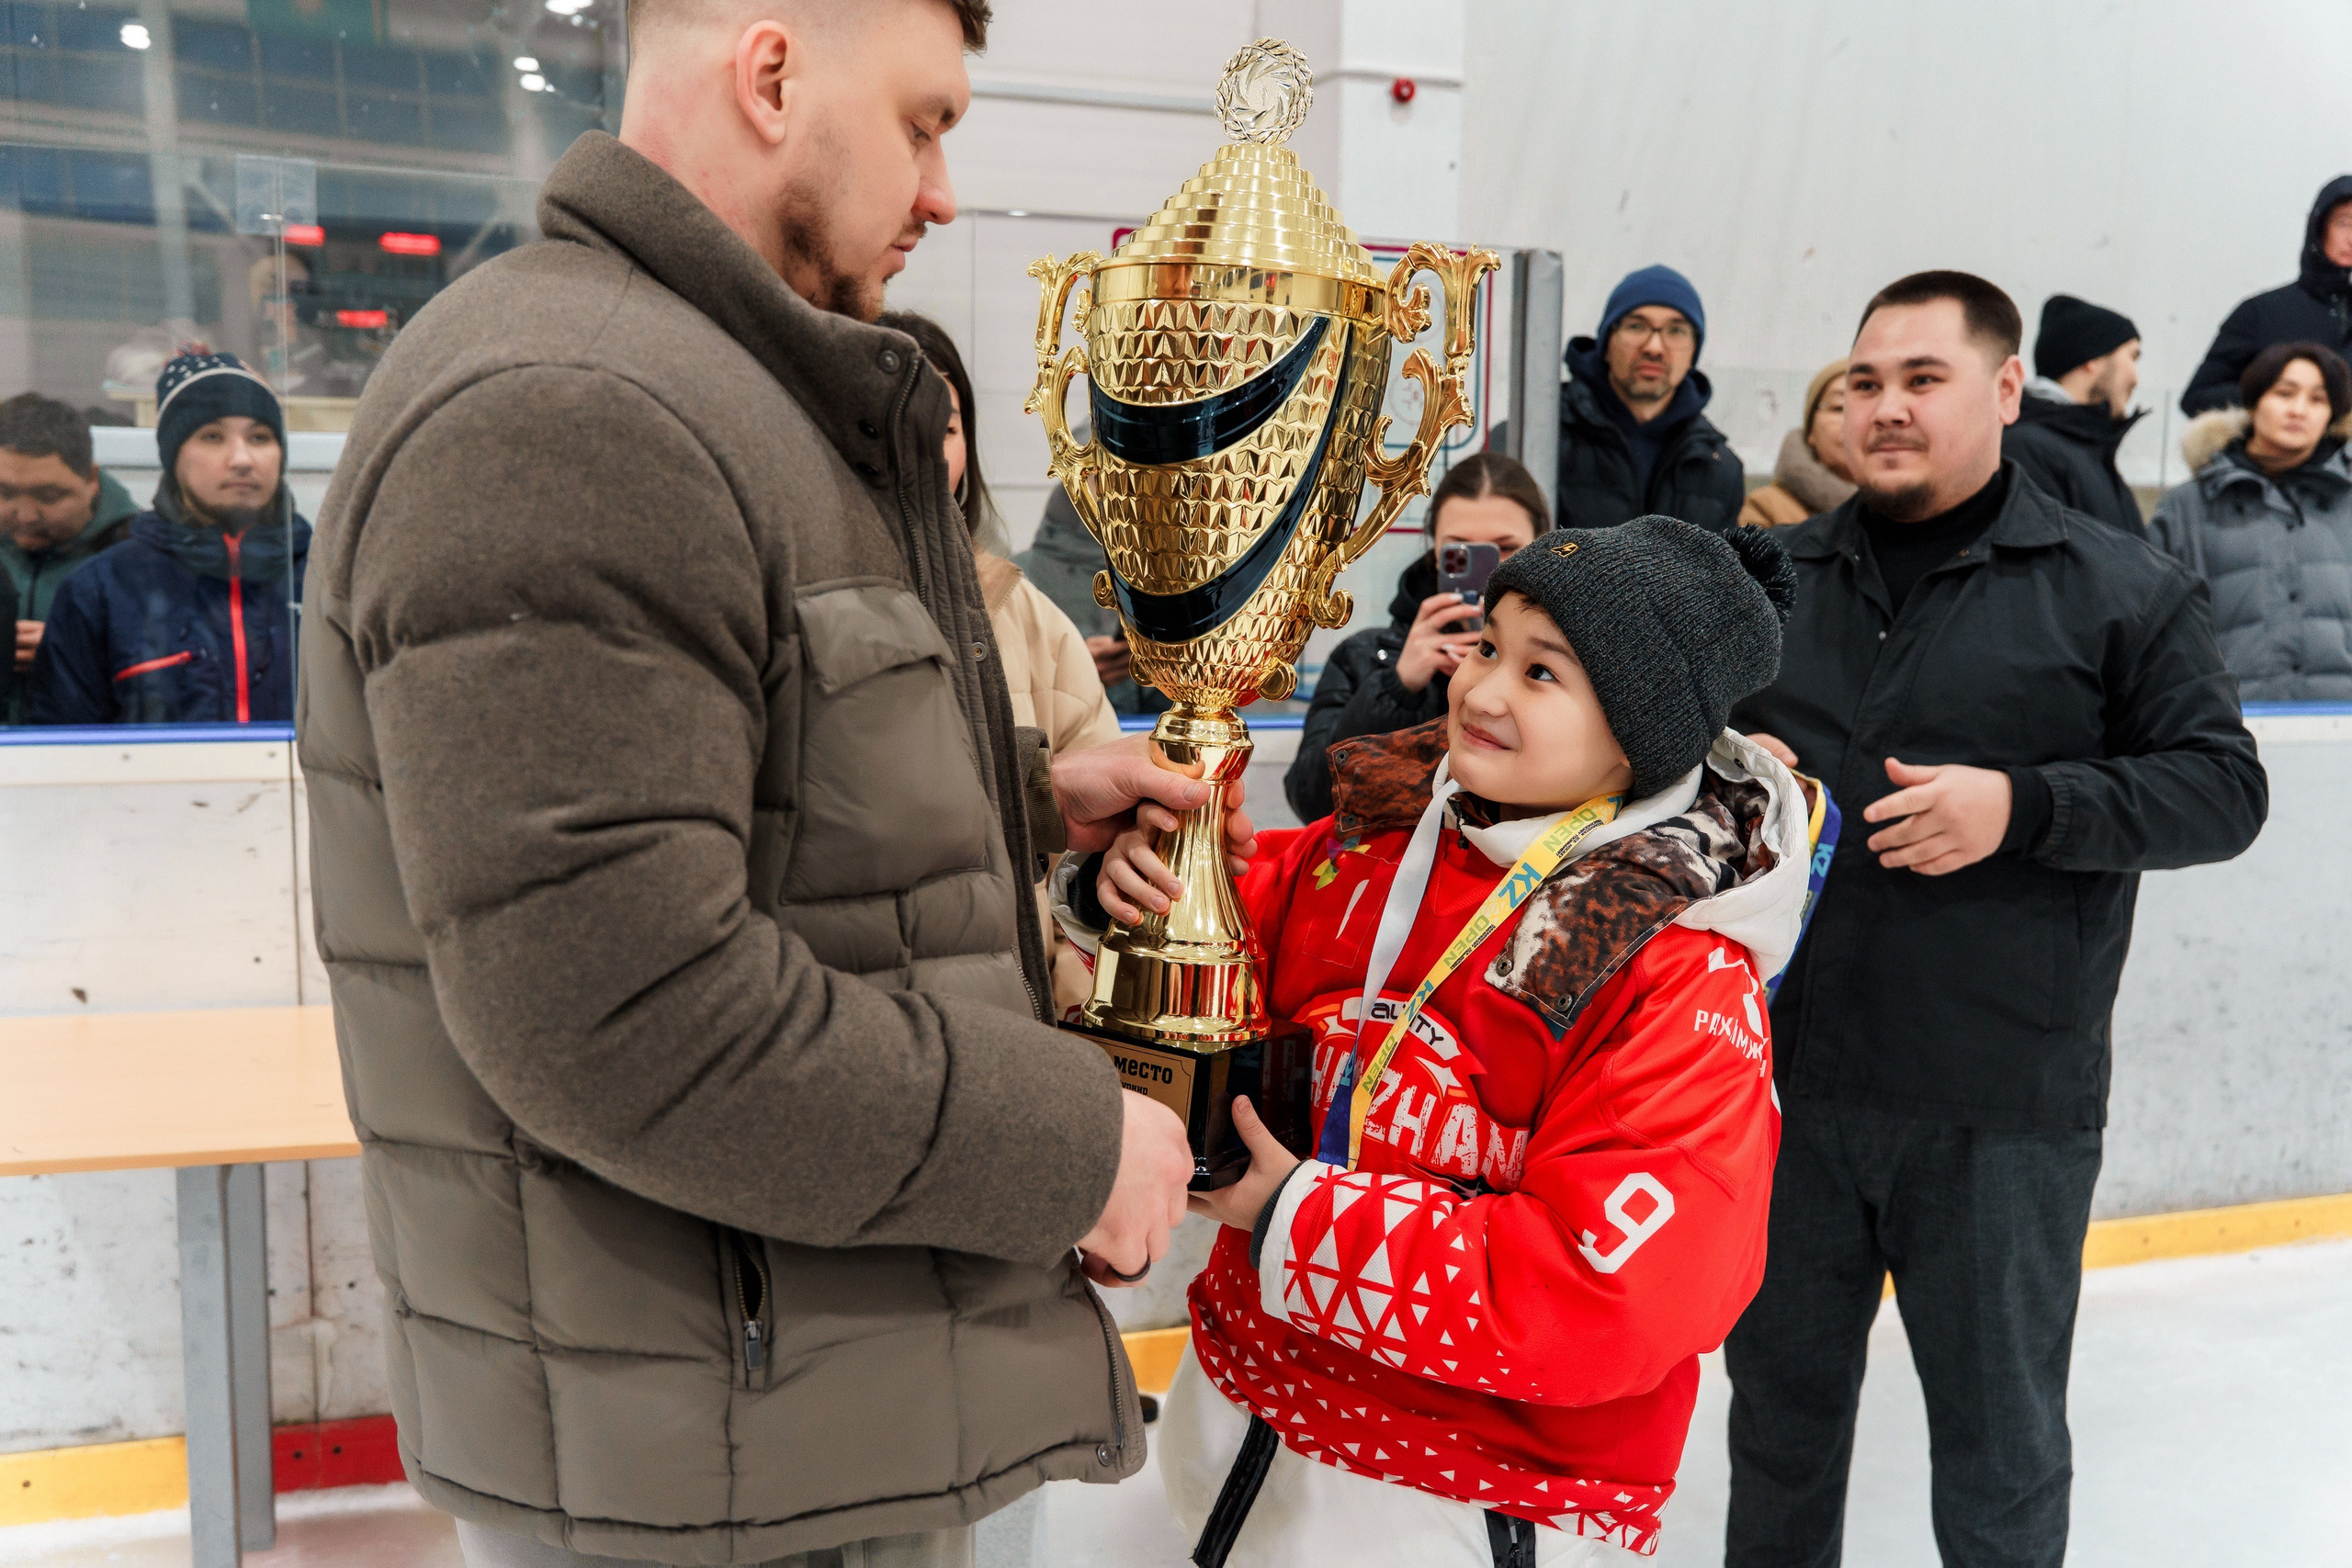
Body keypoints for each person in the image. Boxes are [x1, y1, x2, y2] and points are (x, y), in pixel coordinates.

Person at [292, 1, 1252, 1563]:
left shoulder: (707, 389)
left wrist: (1020, 796)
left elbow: (749, 784)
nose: (944, 189)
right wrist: (1065, 1148)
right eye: (927, 123)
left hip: (798, 1401)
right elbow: (622, 1010)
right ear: (772, 71)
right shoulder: (575, 409)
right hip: (721, 1461)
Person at [1066, 517, 1809, 1566]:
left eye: (1543, 672)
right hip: (1240, 1418)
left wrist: (1293, 1217)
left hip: (1461, 1494)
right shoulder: (1372, 845)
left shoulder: (1672, 969)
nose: (1483, 689)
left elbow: (1619, 1297)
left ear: (1642, 728)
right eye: (1489, 646)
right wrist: (1126, 893)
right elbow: (1229, 945)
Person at [1725, 272, 2267, 1568]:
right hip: (1779, 1090)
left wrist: (2021, 806)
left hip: (1997, 1105)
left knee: (2001, 1459)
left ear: (2008, 390)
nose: (1886, 407)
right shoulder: (1771, 582)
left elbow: (2224, 787)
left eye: (1923, 378)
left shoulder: (2119, 589)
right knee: (1778, 1435)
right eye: (1866, 381)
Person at [883, 309, 1124, 1014]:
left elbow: (1096, 830)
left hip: (1022, 1019)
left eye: (947, 425)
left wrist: (1114, 869)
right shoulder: (787, 602)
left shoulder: (1023, 613)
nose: (927, 448)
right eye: (892, 423)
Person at [26, 350, 309, 727]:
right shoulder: (100, 591)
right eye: (212, 436)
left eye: (260, 437)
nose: (242, 458)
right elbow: (64, 756)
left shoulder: (332, 580)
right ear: (173, 456)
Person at [1283, 453, 1547, 823]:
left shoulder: (1566, 663)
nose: (1488, 572)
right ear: (1435, 552)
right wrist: (1396, 687)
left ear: (1540, 546)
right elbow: (1311, 802)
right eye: (1459, 552)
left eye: (1504, 548)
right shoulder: (1364, 656)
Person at [2151, 343, 2352, 700]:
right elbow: (2151, 627)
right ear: (2254, 402)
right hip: (2223, 727)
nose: (2298, 410)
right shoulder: (2188, 506)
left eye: (2318, 400)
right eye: (2284, 393)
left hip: (2339, 725)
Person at [1540, 265, 1745, 535]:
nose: (1654, 347)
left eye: (1676, 331)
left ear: (1694, 351)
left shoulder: (1717, 467)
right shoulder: (1540, 436)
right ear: (1607, 341)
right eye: (1637, 326)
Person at [0, 392, 138, 718]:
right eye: (4, 493)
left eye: (49, 495)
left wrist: (76, 649)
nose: (27, 515)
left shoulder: (140, 557)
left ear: (91, 480)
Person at [2182, 176, 2352, 415]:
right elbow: (2197, 398)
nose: (2351, 237)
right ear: (2318, 227)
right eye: (2344, 223)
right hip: (2280, 450)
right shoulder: (2261, 312)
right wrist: (2277, 395)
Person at [1018, 480, 1166, 716]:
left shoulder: (1159, 580)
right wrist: (1068, 670)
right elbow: (993, 685)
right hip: (1056, 743)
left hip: (1147, 741)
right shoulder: (1016, 580)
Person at [2004, 294, 2146, 534]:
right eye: (2132, 356)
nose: (2136, 379)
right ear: (2092, 359)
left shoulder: (2085, 446)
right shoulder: (2026, 449)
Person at [1739, 359, 1855, 527]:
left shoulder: (1903, 512)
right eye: (1839, 407)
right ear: (1811, 432)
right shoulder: (1766, 509)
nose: (1851, 421)